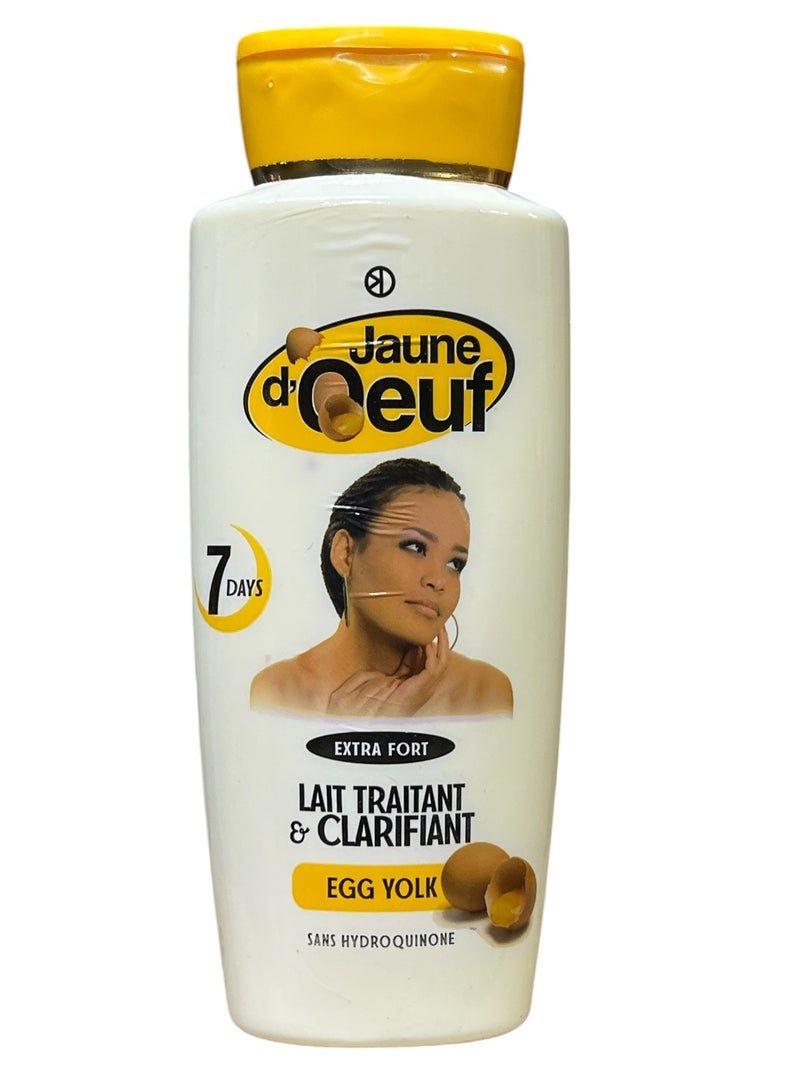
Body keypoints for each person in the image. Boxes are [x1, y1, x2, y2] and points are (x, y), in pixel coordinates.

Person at [250, 458, 513, 718]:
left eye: (455, 563)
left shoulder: (485, 692)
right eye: (415, 547)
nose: (439, 580)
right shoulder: (277, 692)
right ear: (345, 553)